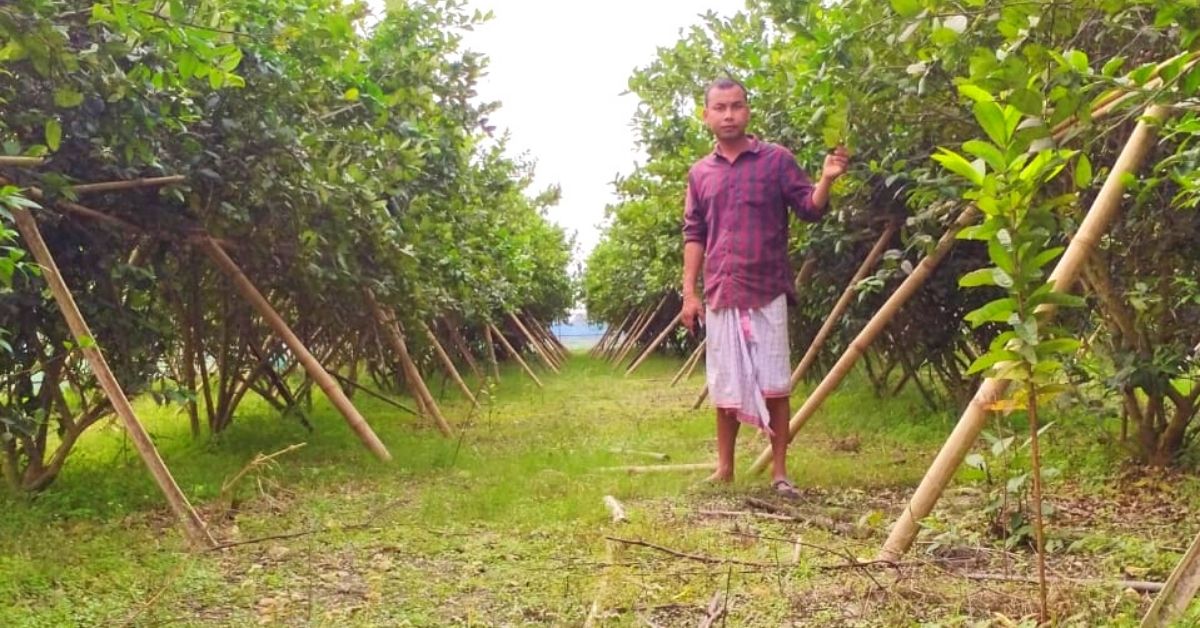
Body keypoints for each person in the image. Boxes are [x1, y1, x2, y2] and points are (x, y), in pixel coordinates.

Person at [680, 77, 849, 498]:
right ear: (706, 116)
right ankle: (725, 468)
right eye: (720, 108)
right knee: (725, 384)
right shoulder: (700, 173)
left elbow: (809, 209)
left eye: (736, 106)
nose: (729, 115)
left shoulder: (777, 161)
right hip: (721, 288)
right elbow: (694, 233)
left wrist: (826, 180)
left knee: (775, 383)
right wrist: (690, 292)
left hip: (767, 287)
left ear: (748, 110)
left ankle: (779, 472)